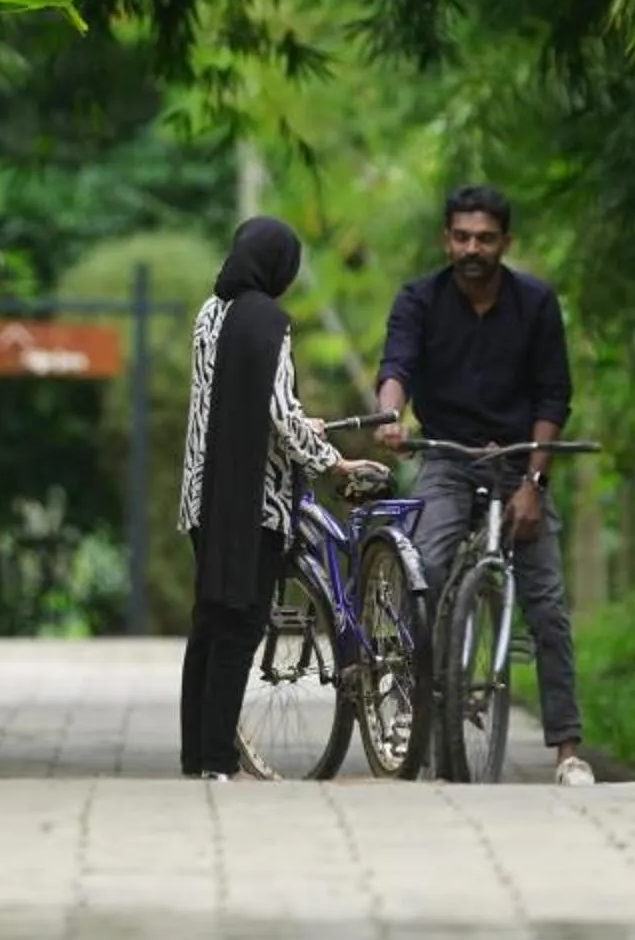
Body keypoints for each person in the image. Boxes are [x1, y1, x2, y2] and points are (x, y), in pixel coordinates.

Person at [371, 183, 594, 786]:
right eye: (463, 237)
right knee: (425, 569)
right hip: (445, 457)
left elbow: (554, 395)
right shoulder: (419, 298)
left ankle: (568, 751)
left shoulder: (536, 303)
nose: (473, 248)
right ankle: (418, 705)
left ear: (505, 243)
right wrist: (391, 415)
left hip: (521, 460)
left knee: (546, 605)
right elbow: (397, 367)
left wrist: (535, 481)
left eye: (486, 238)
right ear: (448, 240)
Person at [177, 215, 365, 779]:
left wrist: (300, 422)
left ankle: (197, 756)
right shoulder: (269, 323)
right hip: (252, 502)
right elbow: (279, 416)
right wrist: (332, 461)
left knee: (209, 622)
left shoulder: (210, 313)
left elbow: (235, 399)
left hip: (202, 496)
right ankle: (217, 762)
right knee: (240, 623)